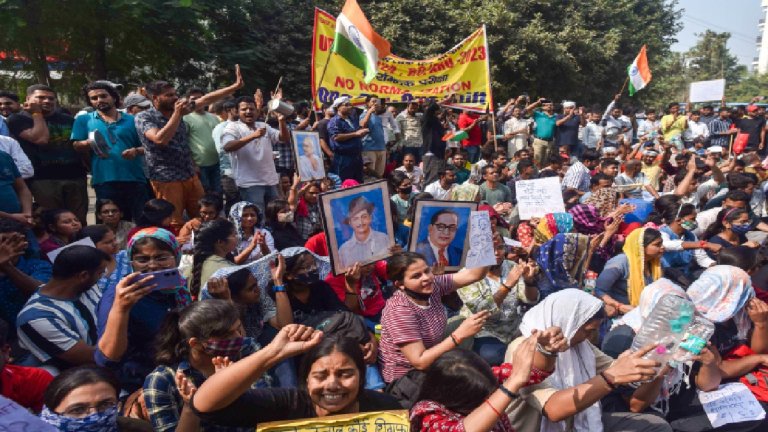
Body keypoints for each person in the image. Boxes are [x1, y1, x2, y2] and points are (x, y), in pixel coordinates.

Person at [504, 289, 672, 432]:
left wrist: (659, 360)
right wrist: (610, 377)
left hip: (575, 423)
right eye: (587, 331)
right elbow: (553, 410)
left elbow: (618, 369)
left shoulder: (580, 345)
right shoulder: (523, 349)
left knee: (656, 426)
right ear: (568, 323)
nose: (591, 337)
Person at [191, 327, 401, 427]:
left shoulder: (387, 409)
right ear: (306, 379)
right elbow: (204, 405)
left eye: (345, 374)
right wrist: (274, 352)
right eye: (320, 375)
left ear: (362, 377)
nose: (333, 385)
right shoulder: (286, 405)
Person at [600, 279, 724, 427]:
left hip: (673, 398)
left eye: (683, 313)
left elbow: (709, 386)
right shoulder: (625, 340)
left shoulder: (685, 330)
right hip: (644, 410)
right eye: (670, 314)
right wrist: (665, 368)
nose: (678, 322)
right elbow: (635, 406)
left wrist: (708, 363)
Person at [378, 252, 491, 405]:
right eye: (416, 276)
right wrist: (459, 335)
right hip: (409, 377)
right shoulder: (400, 310)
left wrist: (485, 236)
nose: (426, 278)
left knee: (459, 321)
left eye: (426, 271)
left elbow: (475, 274)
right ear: (400, 285)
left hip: (431, 353)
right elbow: (419, 362)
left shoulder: (434, 285)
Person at [135, 72, 241, 231]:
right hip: (166, 178)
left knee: (203, 214)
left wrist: (234, 86)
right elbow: (160, 139)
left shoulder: (178, 110)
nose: (175, 98)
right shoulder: (144, 117)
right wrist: (177, 114)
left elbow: (206, 99)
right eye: (169, 95)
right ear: (155, 98)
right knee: (172, 221)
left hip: (189, 174)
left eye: (175, 94)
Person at [95, 228, 192, 393]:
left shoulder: (178, 288)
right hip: (138, 385)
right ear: (131, 262)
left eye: (161, 258)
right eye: (142, 259)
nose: (153, 265)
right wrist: (121, 309)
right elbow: (107, 358)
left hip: (178, 378)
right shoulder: (120, 295)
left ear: (176, 258)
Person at [144, 299, 263, 432]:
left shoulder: (246, 350)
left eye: (238, 329)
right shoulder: (163, 380)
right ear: (196, 344)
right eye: (228, 334)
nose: (238, 338)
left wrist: (232, 385)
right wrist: (191, 407)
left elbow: (266, 406)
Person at [410, 340, 542, 432]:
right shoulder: (428, 418)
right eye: (482, 399)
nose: (490, 399)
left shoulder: (482, 381)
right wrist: (511, 385)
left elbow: (536, 372)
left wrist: (547, 350)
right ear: (458, 400)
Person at [16, 246, 110, 372]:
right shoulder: (37, 317)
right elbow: (94, 358)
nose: (102, 277)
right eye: (100, 273)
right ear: (83, 276)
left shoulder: (87, 287)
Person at [7, 84, 88, 224]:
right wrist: (37, 114)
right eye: (40, 98)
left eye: (51, 98)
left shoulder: (68, 119)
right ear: (28, 99)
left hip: (75, 177)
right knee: (52, 222)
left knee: (78, 221)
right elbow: (40, 139)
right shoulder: (18, 119)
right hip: (43, 179)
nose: (47, 101)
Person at [71, 81, 148, 221]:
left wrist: (136, 151)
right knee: (108, 223)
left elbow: (147, 147)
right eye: (94, 98)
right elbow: (76, 145)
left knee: (139, 221)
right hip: (104, 179)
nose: (99, 100)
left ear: (113, 97)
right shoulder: (84, 120)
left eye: (103, 96)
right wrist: (88, 143)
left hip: (134, 178)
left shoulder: (132, 120)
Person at [457, 239, 539, 365]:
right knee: (496, 356)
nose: (496, 252)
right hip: (483, 333)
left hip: (513, 330)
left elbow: (529, 299)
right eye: (490, 248)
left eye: (500, 247)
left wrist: (529, 281)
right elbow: (483, 311)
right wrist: (508, 285)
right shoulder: (466, 274)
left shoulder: (511, 266)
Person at [222, 95, 290, 214]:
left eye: (252, 109)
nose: (248, 111)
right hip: (250, 184)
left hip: (270, 181)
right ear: (237, 112)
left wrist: (281, 121)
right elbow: (228, 146)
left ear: (257, 111)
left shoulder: (263, 126)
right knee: (257, 217)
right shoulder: (232, 127)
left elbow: (284, 138)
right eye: (244, 109)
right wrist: (253, 136)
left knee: (276, 215)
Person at [41, 365, 153, 431]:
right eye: (78, 410)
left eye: (105, 405)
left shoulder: (138, 429)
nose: (94, 416)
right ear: (51, 414)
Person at [596, 228, 663, 314]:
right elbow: (598, 290)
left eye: (661, 244)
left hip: (645, 312)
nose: (662, 247)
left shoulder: (655, 264)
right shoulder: (620, 262)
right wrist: (619, 306)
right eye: (657, 245)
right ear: (641, 246)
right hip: (621, 314)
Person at [0, 219, 51, 329]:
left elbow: (41, 292)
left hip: (35, 332)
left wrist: (6, 266)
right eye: (2, 241)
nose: (6, 246)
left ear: (24, 243)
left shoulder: (39, 266)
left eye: (13, 241)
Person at [184, 219, 238, 299]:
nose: (237, 238)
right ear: (220, 242)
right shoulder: (228, 270)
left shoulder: (191, 268)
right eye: (234, 235)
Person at [184, 88, 223, 193]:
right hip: (199, 166)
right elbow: (184, 143)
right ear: (188, 101)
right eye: (193, 99)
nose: (198, 101)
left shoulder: (214, 117)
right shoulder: (185, 118)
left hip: (217, 163)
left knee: (218, 194)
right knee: (204, 196)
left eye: (200, 97)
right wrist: (193, 165)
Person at [337, 196, 391, 270]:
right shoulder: (344, 250)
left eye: (364, 217)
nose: (360, 222)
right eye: (355, 219)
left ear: (370, 218)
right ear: (350, 222)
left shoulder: (383, 238)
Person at [328, 96, 369, 182]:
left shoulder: (352, 119)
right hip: (344, 158)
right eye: (346, 105)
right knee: (345, 183)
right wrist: (355, 134)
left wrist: (361, 133)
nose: (350, 107)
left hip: (356, 156)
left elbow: (355, 135)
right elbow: (336, 137)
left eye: (350, 104)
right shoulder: (335, 121)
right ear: (338, 107)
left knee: (358, 182)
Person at [525, 98, 557, 168]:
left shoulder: (556, 116)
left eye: (551, 105)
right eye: (546, 105)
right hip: (539, 141)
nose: (549, 106)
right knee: (537, 162)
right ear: (542, 107)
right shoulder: (538, 114)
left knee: (547, 162)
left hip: (550, 142)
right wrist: (537, 102)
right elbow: (527, 109)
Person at [360, 96, 387, 177]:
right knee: (370, 173)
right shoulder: (364, 115)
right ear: (367, 103)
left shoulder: (378, 117)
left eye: (377, 102)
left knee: (379, 174)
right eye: (373, 101)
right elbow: (362, 125)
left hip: (381, 149)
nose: (375, 104)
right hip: (369, 149)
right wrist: (369, 112)